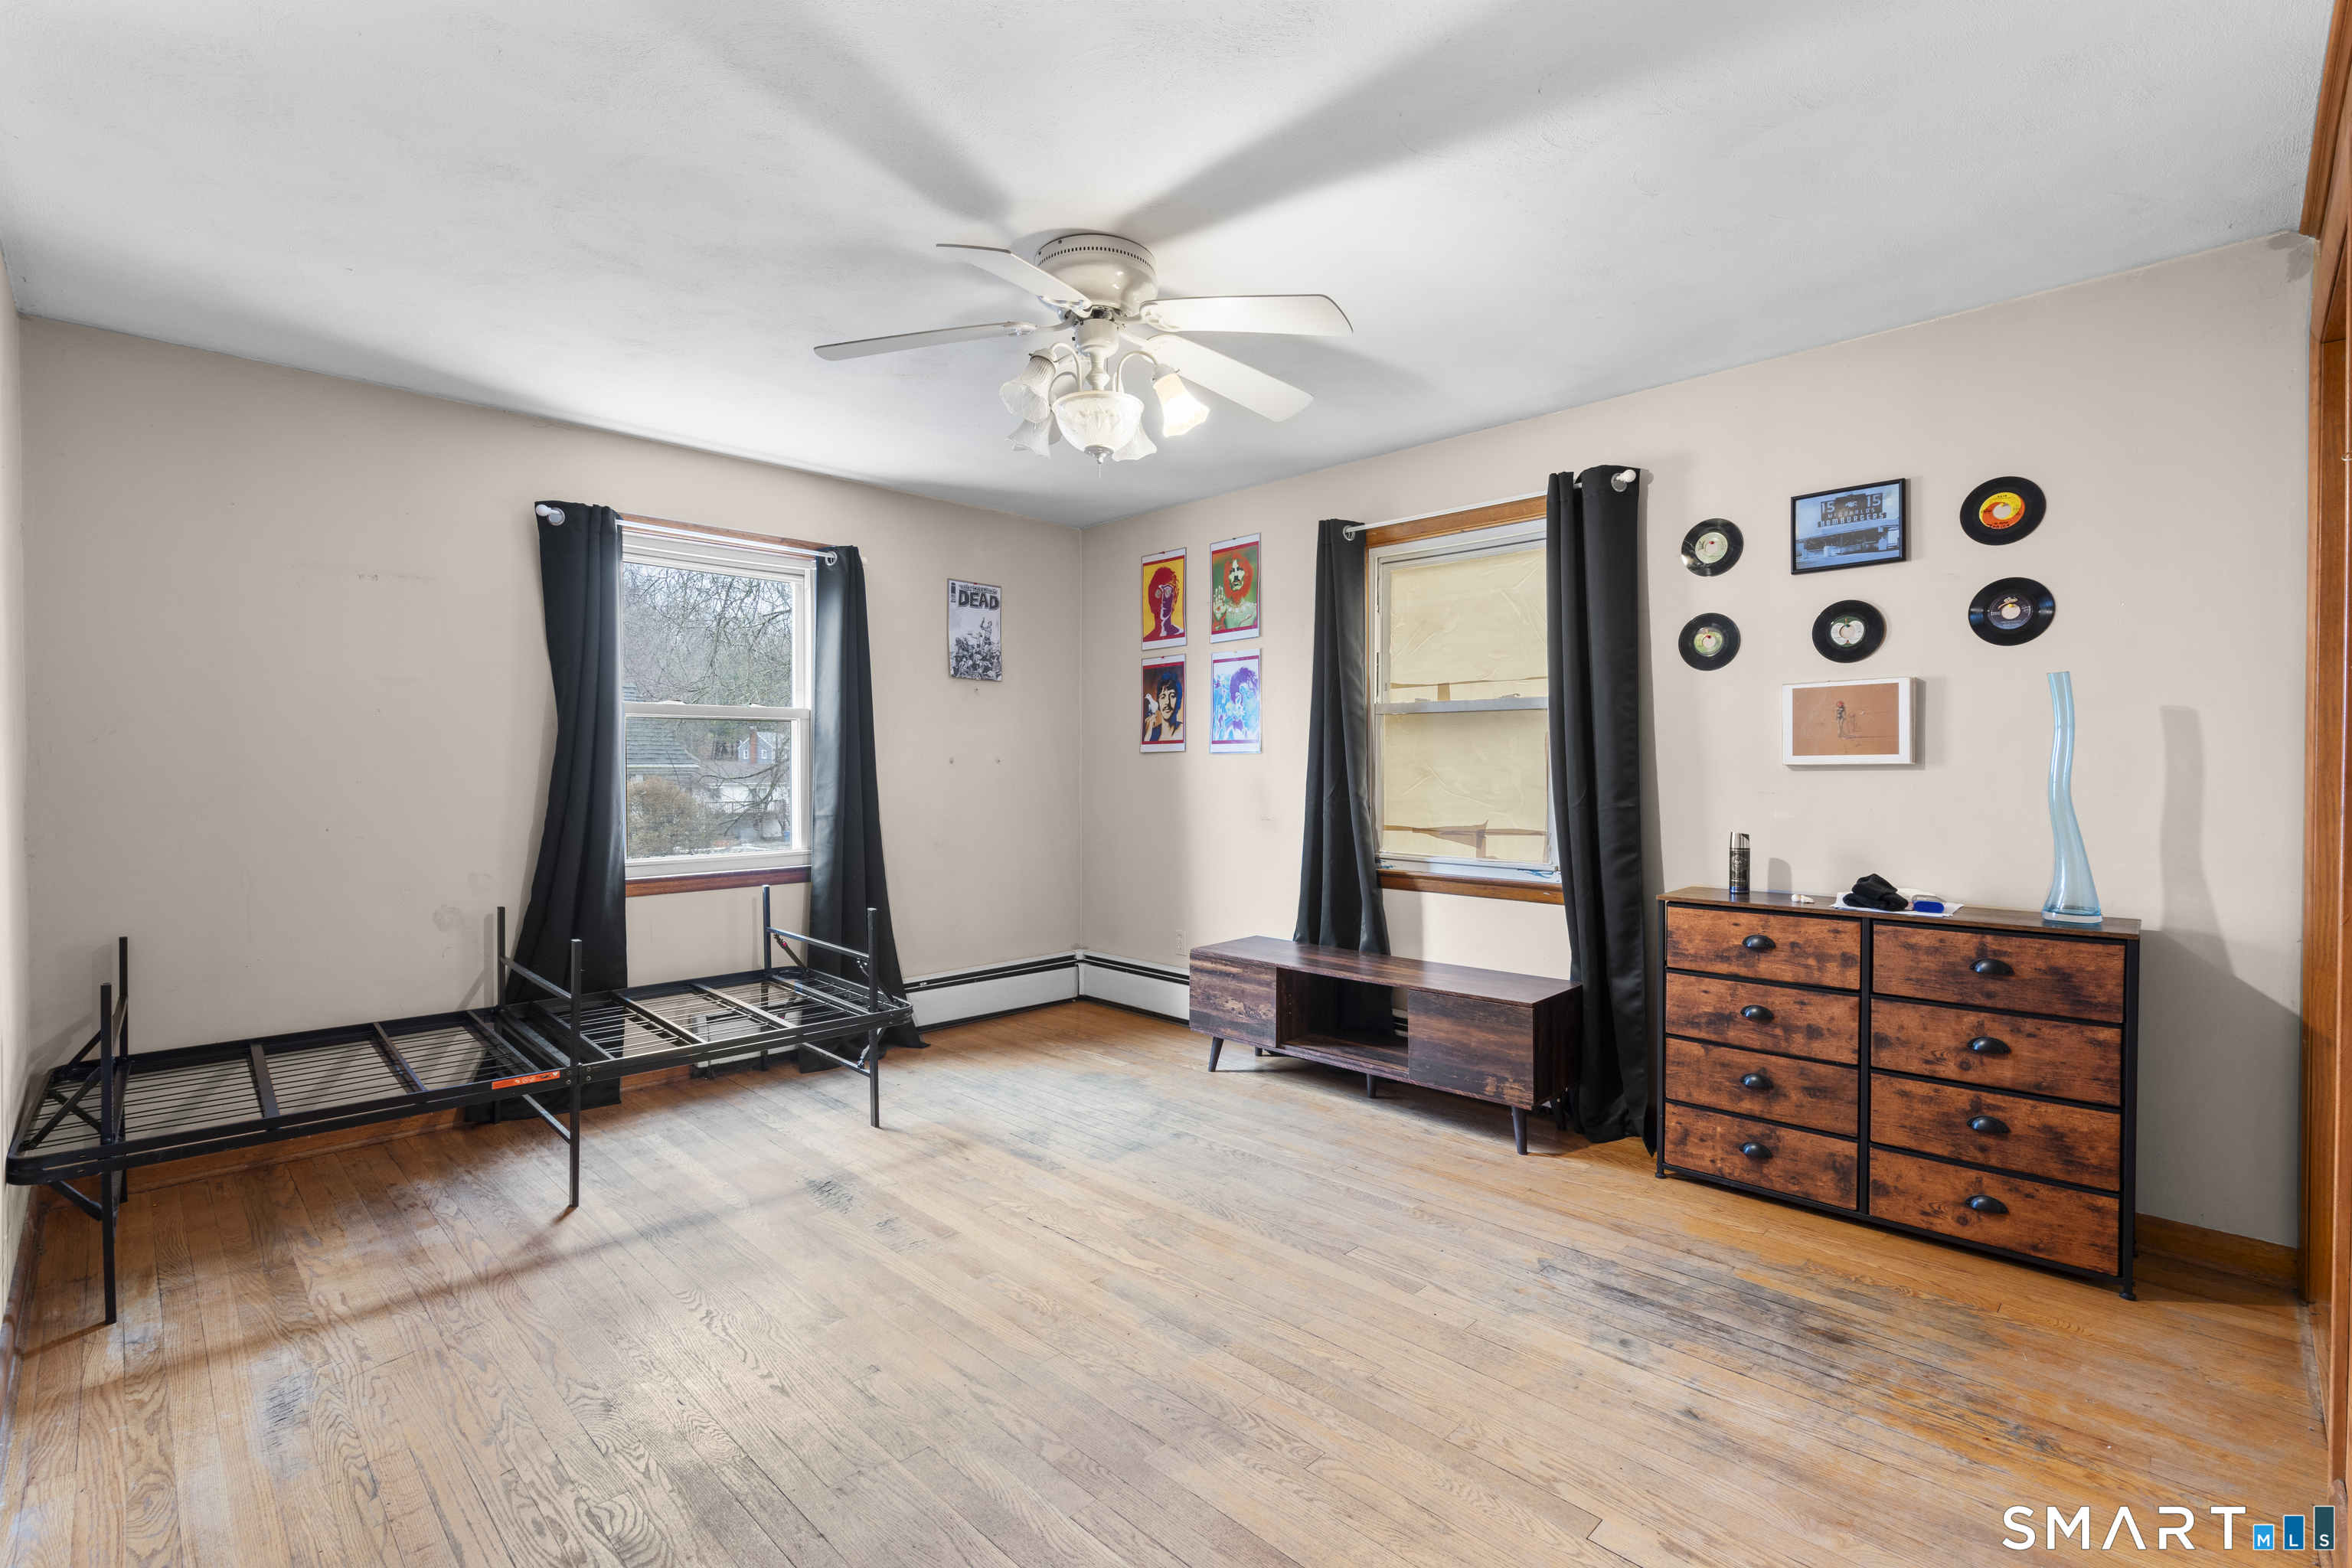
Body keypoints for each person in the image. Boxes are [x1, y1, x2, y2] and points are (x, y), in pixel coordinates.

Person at [1145, 667, 1184, 743]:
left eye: (1172, 696)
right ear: (1158, 702)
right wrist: (1146, 738)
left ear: (1178, 700)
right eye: (1163, 697)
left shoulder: (1184, 732)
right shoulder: (1151, 734)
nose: (1167, 702)